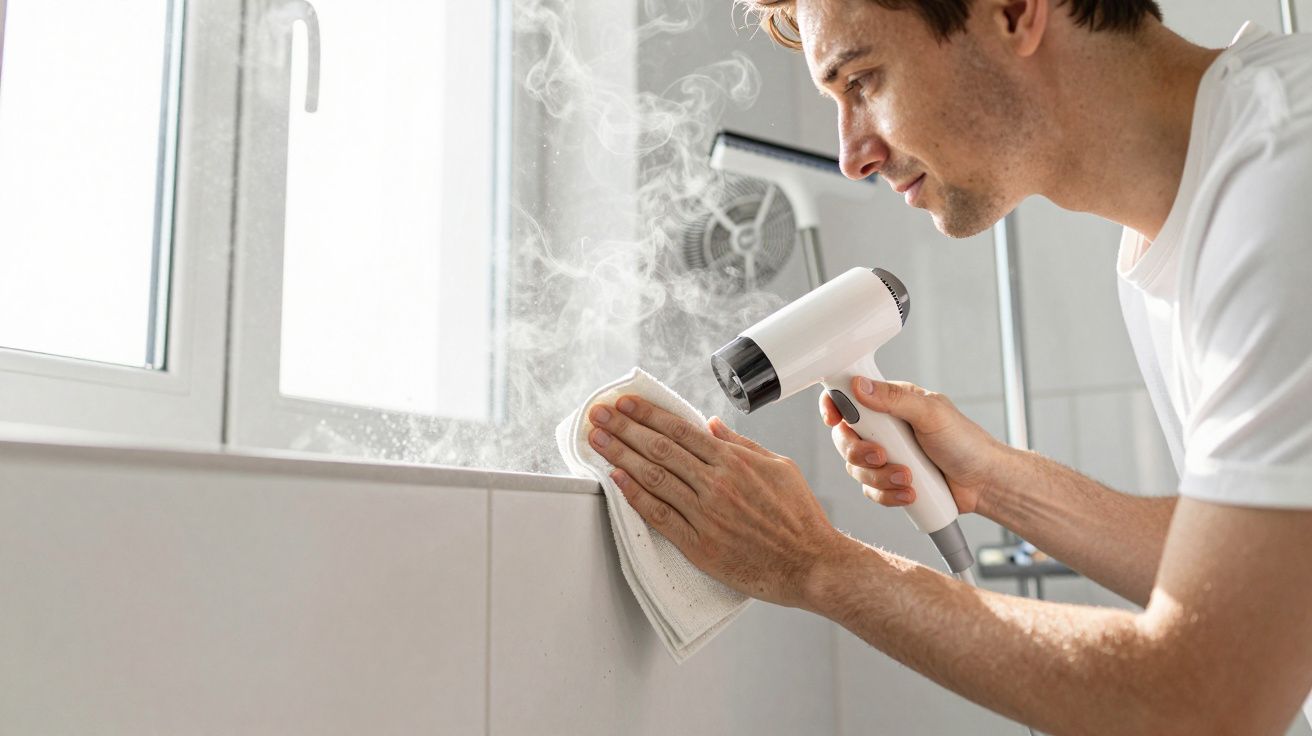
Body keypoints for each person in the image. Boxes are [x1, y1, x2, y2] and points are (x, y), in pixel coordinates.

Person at [583, 0, 1312, 732]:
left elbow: (1205, 699)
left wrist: (811, 563)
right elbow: (1259, 577)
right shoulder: (1182, 228)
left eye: (863, 79)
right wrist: (994, 481)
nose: (852, 153)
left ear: (1013, 11)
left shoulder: (1285, 190)